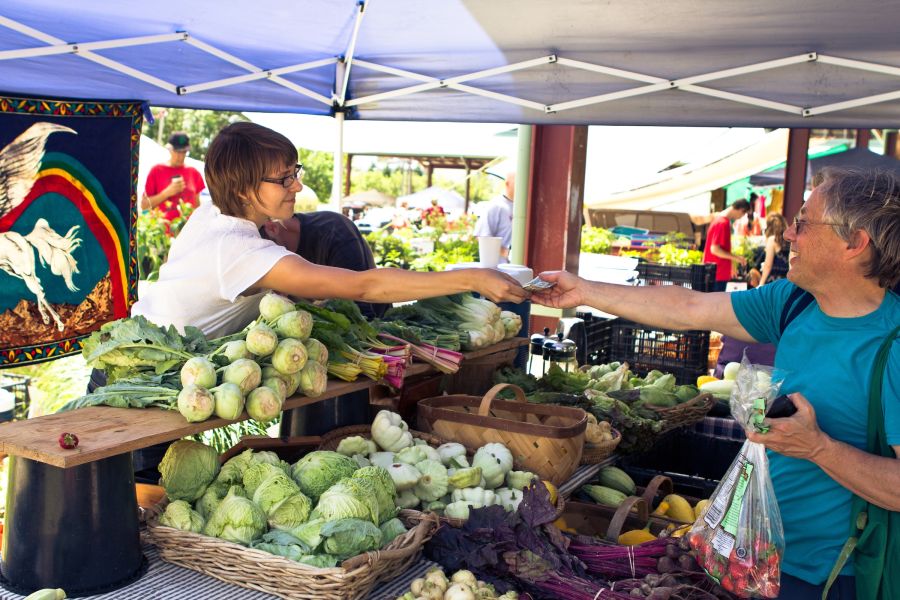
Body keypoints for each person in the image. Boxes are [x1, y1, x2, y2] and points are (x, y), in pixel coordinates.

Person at [532, 167, 900, 598]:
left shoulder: (891, 344)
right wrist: (584, 291)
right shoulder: (795, 302)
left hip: (836, 578)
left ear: (854, 242)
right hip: (757, 557)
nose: (788, 237)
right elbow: (689, 306)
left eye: (803, 223)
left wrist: (818, 447)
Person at [131, 121, 527, 340]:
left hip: (148, 353)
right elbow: (364, 287)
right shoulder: (239, 252)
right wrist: (471, 277)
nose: (297, 187)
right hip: (139, 377)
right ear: (242, 190)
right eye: (283, 179)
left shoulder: (213, 209)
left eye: (294, 173)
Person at [261, 209, 389, 320]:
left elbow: (362, 309)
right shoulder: (273, 259)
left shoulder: (336, 231)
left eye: (268, 253)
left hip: (377, 329)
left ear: (272, 228)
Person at [142, 131, 206, 222]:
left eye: (184, 152)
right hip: (162, 232)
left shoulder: (194, 173)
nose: (181, 156)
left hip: (187, 231)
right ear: (170, 149)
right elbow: (144, 206)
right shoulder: (156, 170)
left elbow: (197, 207)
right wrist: (166, 193)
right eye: (177, 151)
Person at [702, 199, 751, 291]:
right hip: (717, 273)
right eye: (743, 214)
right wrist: (737, 258)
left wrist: (731, 264)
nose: (741, 217)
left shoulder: (720, 220)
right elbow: (715, 249)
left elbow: (722, 249)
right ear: (741, 210)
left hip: (716, 272)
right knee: (716, 304)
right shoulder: (722, 222)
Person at [473, 171, 515, 262]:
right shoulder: (496, 206)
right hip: (499, 268)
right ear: (507, 184)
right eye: (517, 182)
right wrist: (508, 253)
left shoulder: (524, 207)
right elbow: (483, 238)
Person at [758, 212, 790, 286]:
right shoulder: (789, 240)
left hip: (774, 282)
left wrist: (761, 283)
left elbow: (768, 266)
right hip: (787, 282)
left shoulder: (772, 240)